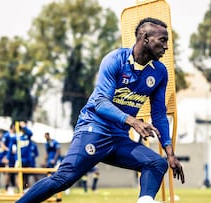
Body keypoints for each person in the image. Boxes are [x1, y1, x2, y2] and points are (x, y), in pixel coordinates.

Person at [16, 17, 185, 203]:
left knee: (157, 163)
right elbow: (100, 103)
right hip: (94, 130)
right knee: (63, 178)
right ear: (145, 38)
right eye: (163, 40)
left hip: (119, 138)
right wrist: (133, 121)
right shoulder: (115, 60)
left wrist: (170, 153)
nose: (166, 47)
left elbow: (159, 115)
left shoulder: (160, 71)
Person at [7, 121, 33, 190]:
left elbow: (31, 133)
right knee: (18, 174)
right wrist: (8, 157)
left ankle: (25, 188)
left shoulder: (27, 136)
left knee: (26, 175)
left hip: (27, 159)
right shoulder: (16, 137)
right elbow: (11, 147)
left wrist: (24, 126)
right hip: (18, 159)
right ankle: (19, 188)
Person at [2, 124, 17, 193]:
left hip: (16, 157)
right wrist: (8, 150)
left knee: (15, 172)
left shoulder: (17, 135)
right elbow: (2, 144)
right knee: (8, 172)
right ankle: (7, 187)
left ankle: (15, 187)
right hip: (9, 156)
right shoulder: (7, 135)